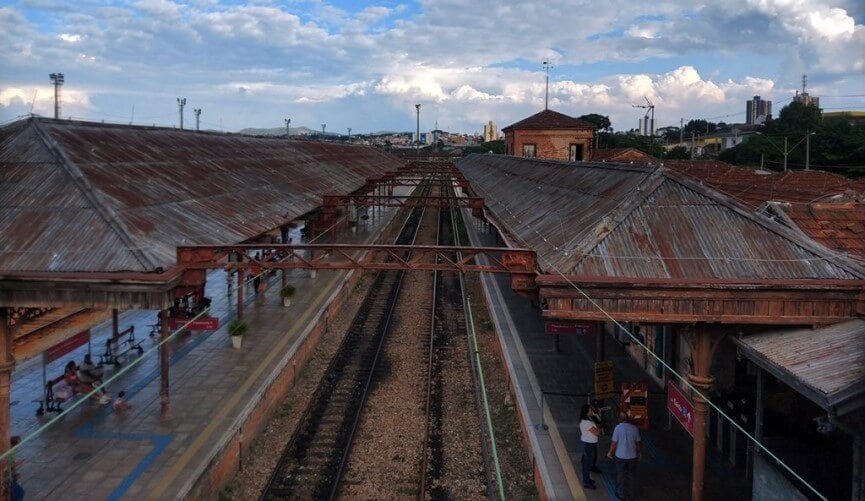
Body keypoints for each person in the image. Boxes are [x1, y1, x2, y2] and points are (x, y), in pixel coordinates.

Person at [607, 411, 641, 501]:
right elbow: (637, 443)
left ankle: (621, 495)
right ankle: (631, 495)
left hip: (620, 456)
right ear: (628, 419)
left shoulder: (617, 428)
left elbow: (614, 443)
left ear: (619, 419)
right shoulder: (634, 428)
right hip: (632, 456)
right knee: (631, 476)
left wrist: (610, 452)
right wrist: (639, 453)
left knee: (621, 476)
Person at [579, 404, 601, 489]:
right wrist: (599, 427)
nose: (592, 412)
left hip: (589, 443)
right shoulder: (587, 423)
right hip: (589, 444)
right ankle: (586, 482)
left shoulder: (587, 420)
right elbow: (597, 433)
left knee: (586, 462)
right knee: (587, 464)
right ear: (586, 412)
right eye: (590, 411)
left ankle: (587, 479)